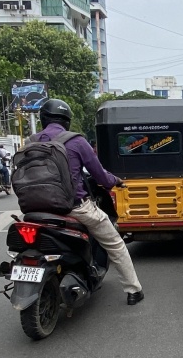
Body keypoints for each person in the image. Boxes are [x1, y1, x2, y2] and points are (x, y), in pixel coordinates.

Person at [35, 98, 145, 306]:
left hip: (36, 209)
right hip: (74, 207)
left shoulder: (31, 141)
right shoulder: (76, 141)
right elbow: (100, 176)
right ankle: (133, 290)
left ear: (42, 119)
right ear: (67, 121)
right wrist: (116, 181)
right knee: (115, 244)